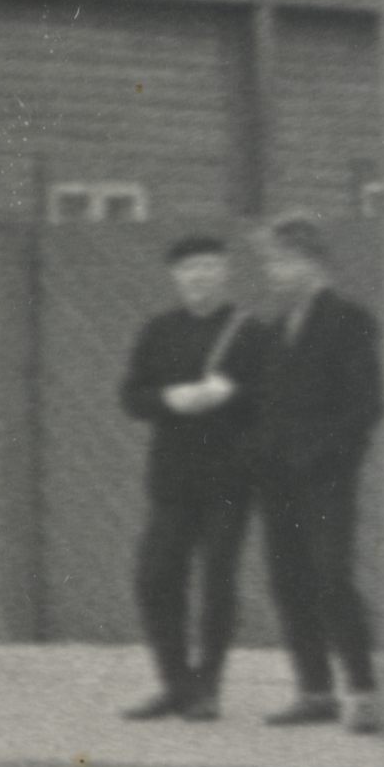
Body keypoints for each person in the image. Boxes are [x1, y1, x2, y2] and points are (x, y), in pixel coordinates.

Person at [234, 213, 384, 730]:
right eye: (269, 263)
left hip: (325, 478)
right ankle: (315, 690)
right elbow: (264, 404)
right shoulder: (276, 330)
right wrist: (259, 454)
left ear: (309, 262)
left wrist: (325, 456)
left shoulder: (349, 321)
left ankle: (364, 690)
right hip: (277, 480)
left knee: (331, 577)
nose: (271, 273)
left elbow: (365, 405)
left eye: (278, 262)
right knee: (288, 578)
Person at [114, 234, 258, 720]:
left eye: (208, 267)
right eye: (189, 269)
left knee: (217, 581)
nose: (198, 277)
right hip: (172, 479)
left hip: (229, 477)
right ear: (175, 277)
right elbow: (132, 396)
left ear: (226, 273)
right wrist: (171, 400)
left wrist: (230, 395)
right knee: (155, 578)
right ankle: (176, 683)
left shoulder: (248, 333)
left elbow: (270, 398)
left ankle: (209, 686)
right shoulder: (158, 330)